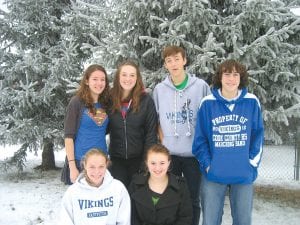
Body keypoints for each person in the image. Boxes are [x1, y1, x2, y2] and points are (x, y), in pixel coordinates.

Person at [192, 59, 264, 225]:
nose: (231, 79)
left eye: (235, 74)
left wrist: (251, 163)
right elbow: (200, 140)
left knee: (243, 220)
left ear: (241, 78)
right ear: (220, 77)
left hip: (243, 174)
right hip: (213, 175)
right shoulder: (208, 103)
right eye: (227, 74)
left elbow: (258, 136)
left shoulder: (252, 102)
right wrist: (209, 165)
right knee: (210, 221)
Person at [152, 45, 210, 225]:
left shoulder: (200, 86)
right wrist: (163, 142)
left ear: (184, 61)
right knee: (170, 198)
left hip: (194, 154)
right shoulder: (160, 90)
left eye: (177, 59)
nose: (173, 63)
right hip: (170, 155)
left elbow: (208, 117)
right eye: (169, 60)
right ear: (165, 65)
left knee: (193, 199)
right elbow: (156, 120)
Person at [108, 60, 158, 187]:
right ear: (118, 77)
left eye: (132, 75)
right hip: (116, 160)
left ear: (137, 78)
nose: (128, 79)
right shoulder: (109, 99)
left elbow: (151, 134)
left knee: (137, 200)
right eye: (124, 75)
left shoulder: (146, 101)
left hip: (139, 160)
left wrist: (146, 161)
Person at [61, 64, 110, 185]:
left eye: (102, 79)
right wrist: (72, 167)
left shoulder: (107, 103)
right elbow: (68, 137)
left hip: (101, 162)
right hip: (80, 162)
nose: (99, 83)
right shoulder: (76, 102)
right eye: (95, 79)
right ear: (87, 81)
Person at [60, 148, 131, 225]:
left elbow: (124, 221)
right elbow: (65, 221)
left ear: (106, 165)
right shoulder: (72, 192)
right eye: (92, 167)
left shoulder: (118, 188)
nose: (97, 172)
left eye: (101, 166)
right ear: (85, 165)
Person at [129, 144, 192, 225]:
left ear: (168, 163)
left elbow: (185, 218)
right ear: (146, 163)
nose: (157, 168)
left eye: (162, 163)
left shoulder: (181, 186)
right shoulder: (135, 184)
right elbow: (131, 217)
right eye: (153, 163)